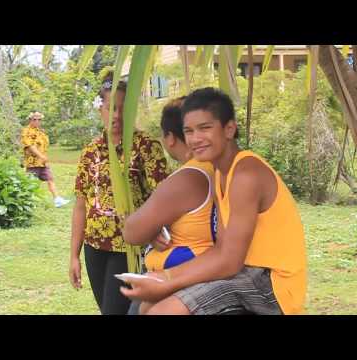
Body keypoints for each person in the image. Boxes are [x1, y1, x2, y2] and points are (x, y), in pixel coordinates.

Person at [120, 87, 307, 315]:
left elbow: (229, 260)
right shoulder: (220, 171)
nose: (195, 139)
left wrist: (167, 280)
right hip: (246, 272)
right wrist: (163, 278)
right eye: (188, 131)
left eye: (205, 128)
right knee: (148, 306)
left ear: (229, 129)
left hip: (271, 283)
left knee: (163, 311)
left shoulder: (245, 174)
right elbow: (222, 249)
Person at [69, 72, 170, 315]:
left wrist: (155, 230)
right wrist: (74, 255)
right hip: (94, 246)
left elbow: (165, 198)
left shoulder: (146, 147)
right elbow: (81, 205)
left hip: (129, 247)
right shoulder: (90, 151)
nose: (116, 115)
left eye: (123, 109)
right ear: (100, 108)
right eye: (110, 108)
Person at [123, 97, 216, 315]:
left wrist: (146, 227)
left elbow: (132, 232)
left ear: (170, 138)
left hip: (180, 279)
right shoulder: (218, 167)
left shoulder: (187, 178)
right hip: (207, 275)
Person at [21, 111, 70, 208]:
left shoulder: (40, 131)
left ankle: (57, 200)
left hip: (42, 163)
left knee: (50, 179)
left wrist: (44, 159)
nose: (37, 121)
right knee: (31, 184)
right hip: (32, 163)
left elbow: (44, 146)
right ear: (30, 120)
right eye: (34, 119)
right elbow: (30, 146)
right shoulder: (26, 131)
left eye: (39, 119)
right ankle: (26, 202)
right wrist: (40, 156)